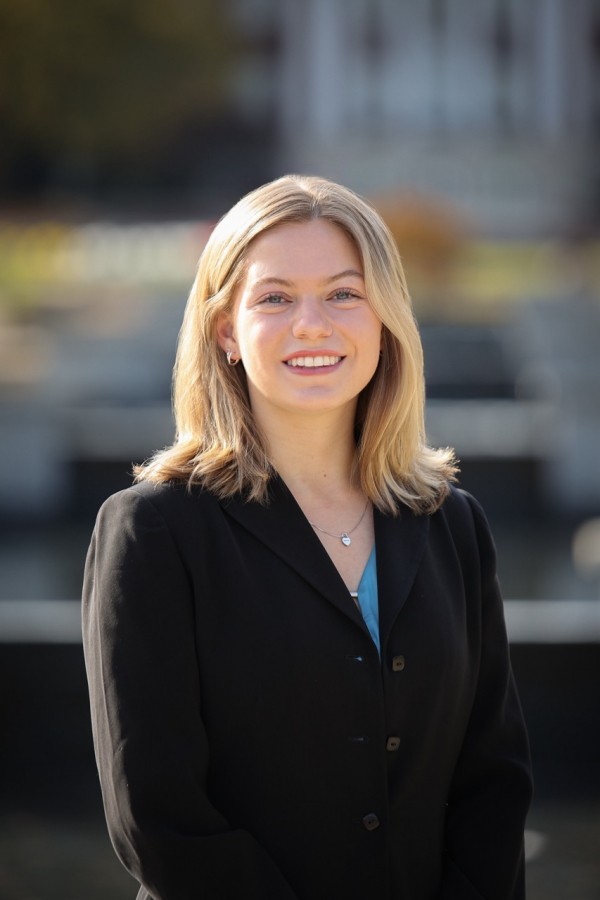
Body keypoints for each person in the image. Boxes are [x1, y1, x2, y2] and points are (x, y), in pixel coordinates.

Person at [82, 174, 532, 900]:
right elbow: (159, 817)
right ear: (226, 329)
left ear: (385, 316)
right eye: (275, 297)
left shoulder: (453, 524)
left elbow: (495, 778)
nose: (313, 324)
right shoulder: (154, 531)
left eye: (344, 293)